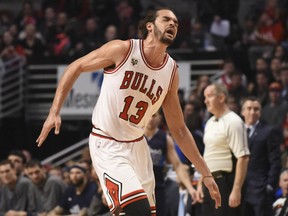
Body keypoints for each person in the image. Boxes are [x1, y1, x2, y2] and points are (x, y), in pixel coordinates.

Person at [36, 8, 221, 215]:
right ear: (149, 26)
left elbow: (178, 129)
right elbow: (76, 66)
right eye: (166, 20)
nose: (172, 25)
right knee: (138, 211)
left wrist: (205, 173)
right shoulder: (123, 49)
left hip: (138, 148)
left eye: (176, 23)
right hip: (108, 144)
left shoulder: (171, 71)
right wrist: (54, 110)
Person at [197, 83, 250, 216]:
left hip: (225, 183)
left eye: (209, 96)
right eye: (204, 97)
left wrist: (236, 189)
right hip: (208, 183)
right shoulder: (209, 123)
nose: (205, 101)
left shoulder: (234, 121)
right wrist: (200, 184)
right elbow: (207, 156)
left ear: (221, 98)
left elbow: (243, 157)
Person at [144, 111, 197, 215]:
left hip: (157, 187)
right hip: (139, 187)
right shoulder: (135, 136)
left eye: (154, 115)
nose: (150, 118)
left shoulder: (165, 138)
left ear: (160, 118)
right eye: (148, 115)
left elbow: (177, 165)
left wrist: (190, 188)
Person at [241, 96, 282, 216]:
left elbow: (275, 161)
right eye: (249, 108)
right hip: (240, 190)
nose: (252, 112)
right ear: (242, 111)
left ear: (260, 112)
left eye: (256, 109)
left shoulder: (269, 131)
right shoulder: (237, 130)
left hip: (261, 191)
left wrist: (269, 186)